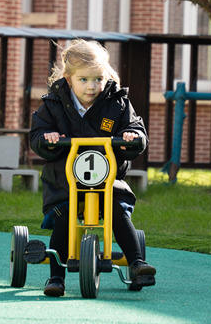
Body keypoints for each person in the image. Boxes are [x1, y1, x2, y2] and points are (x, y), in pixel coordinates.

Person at [29, 39, 156, 297]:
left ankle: (137, 263)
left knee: (117, 212)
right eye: (84, 80)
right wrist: (48, 139)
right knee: (64, 218)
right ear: (68, 78)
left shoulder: (117, 102)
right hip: (65, 183)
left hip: (107, 181)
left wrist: (132, 136)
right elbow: (37, 136)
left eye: (98, 79)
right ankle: (56, 277)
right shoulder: (53, 104)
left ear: (106, 75)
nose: (92, 86)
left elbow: (136, 129)